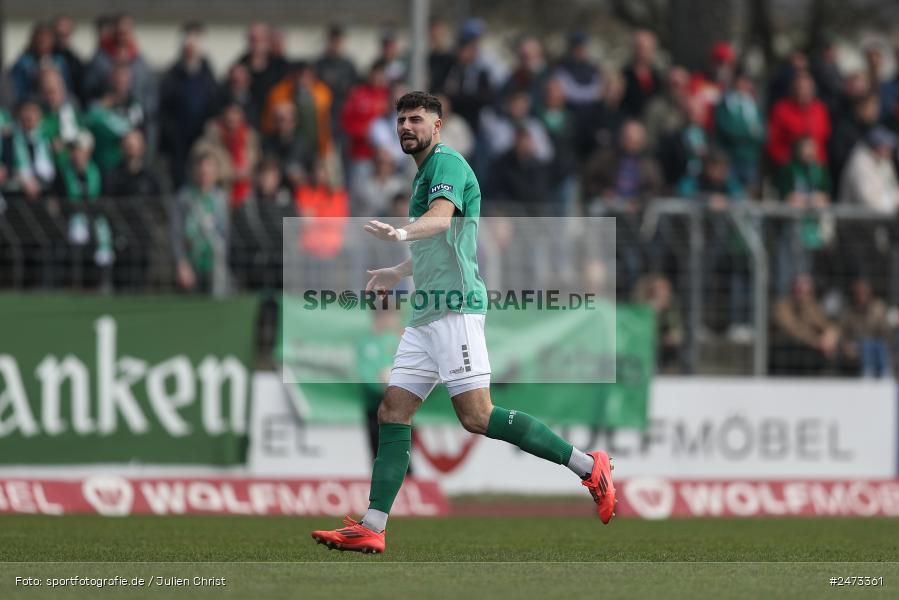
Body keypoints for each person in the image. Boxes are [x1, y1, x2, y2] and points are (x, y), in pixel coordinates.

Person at [310, 91, 616, 555]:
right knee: (393, 411)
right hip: (426, 313)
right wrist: (399, 270)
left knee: (477, 416)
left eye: (416, 119)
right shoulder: (423, 173)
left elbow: (439, 220)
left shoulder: (447, 164)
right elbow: (438, 240)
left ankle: (587, 465)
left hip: (455, 308)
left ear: (438, 125)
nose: (406, 127)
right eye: (401, 120)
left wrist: (400, 232)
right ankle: (373, 525)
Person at [159, 22, 219, 189]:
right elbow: (164, 110)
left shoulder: (208, 76)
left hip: (202, 141)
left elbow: (214, 107)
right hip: (178, 145)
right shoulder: (172, 76)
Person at [170, 152, 230, 295]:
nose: (205, 175)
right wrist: (181, 264)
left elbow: (226, 234)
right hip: (191, 264)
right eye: (201, 172)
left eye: (209, 171)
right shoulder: (184, 198)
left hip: (215, 265)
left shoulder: (220, 199)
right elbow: (175, 233)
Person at [770, 273, 839, 375]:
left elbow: (826, 324)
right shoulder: (781, 306)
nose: (802, 291)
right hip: (786, 350)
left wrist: (830, 336)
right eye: (799, 287)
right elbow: (792, 331)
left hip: (810, 349)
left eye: (805, 288)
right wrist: (816, 341)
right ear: (792, 287)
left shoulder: (812, 305)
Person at [839, 278, 890, 378]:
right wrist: (846, 345)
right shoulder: (848, 311)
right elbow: (842, 332)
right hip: (856, 345)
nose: (861, 295)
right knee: (866, 345)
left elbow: (885, 330)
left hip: (876, 344)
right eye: (858, 292)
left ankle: (885, 374)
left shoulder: (878, 307)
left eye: (864, 292)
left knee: (877, 345)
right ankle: (867, 374)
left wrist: (878, 317)